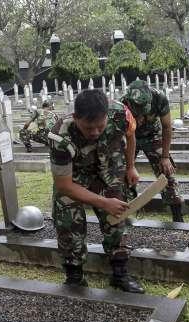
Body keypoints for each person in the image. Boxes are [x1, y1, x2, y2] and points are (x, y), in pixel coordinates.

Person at [48, 89, 144, 293]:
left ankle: (120, 273)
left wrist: (130, 166)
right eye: (88, 127)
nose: (94, 132)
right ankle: (74, 275)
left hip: (109, 168)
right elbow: (64, 185)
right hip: (76, 175)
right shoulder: (60, 136)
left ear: (107, 116)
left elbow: (131, 134)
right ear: (75, 118)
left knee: (118, 213)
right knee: (66, 214)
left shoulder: (121, 114)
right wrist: (101, 202)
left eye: (100, 127)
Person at [120, 80, 184, 222]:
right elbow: (119, 135)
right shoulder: (122, 104)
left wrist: (165, 157)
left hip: (152, 136)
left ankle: (177, 216)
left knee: (167, 171)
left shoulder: (159, 98)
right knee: (119, 171)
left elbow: (167, 127)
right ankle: (123, 212)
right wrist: (128, 165)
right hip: (130, 137)